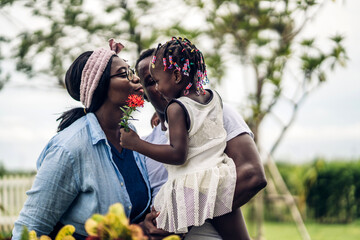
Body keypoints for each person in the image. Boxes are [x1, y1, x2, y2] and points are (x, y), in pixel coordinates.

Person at [120, 37, 267, 240]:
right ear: (143, 94)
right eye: (151, 82)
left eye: (159, 79)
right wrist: (147, 226)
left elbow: (253, 176)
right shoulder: (152, 143)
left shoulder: (214, 114)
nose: (159, 87)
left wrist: (180, 221)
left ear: (177, 75)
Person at [12, 39, 151, 240]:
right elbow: (30, 228)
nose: (136, 79)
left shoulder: (130, 134)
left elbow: (131, 213)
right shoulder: (70, 148)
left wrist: (143, 227)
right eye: (124, 74)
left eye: (131, 72)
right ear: (99, 87)